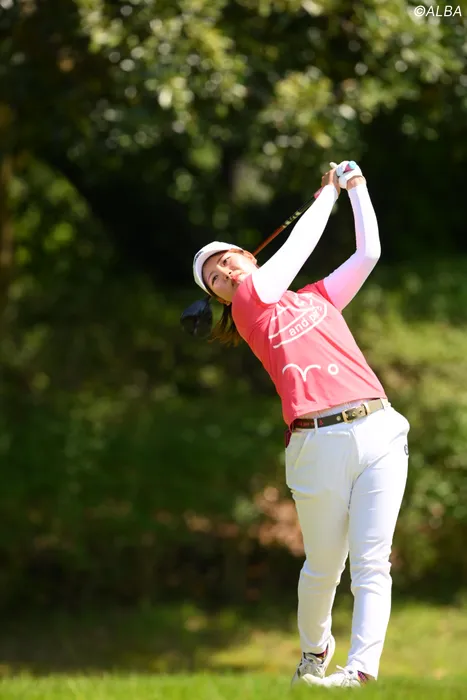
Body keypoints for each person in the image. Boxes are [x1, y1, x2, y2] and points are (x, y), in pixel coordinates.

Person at [191, 161, 410, 689]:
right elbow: (295, 251)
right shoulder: (249, 308)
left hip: (379, 427)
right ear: (221, 297)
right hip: (317, 443)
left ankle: (359, 672)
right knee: (324, 566)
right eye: (215, 277)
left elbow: (368, 255)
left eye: (229, 260)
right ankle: (315, 653)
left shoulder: (318, 297)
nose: (226, 273)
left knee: (372, 562)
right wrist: (327, 195)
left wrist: (356, 188)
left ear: (249, 256)